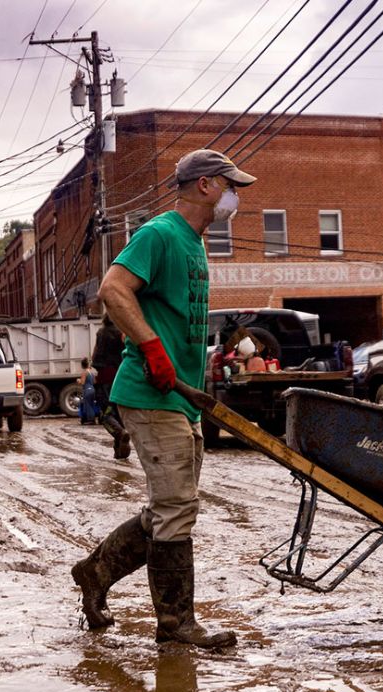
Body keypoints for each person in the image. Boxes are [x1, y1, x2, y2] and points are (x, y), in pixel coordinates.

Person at [72, 148, 255, 649]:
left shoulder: (195, 244)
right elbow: (113, 289)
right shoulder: (159, 234)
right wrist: (151, 347)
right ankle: (176, 625)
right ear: (205, 186)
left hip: (181, 398)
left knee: (167, 509)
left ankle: (94, 573)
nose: (234, 196)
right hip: (152, 394)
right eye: (230, 185)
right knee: (176, 506)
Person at [91, 316, 131, 460]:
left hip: (106, 377)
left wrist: (95, 368)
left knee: (106, 415)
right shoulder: (123, 332)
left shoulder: (102, 333)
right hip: (122, 376)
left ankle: (119, 433)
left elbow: (96, 356)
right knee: (118, 413)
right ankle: (119, 449)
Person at [78, 358, 99, 425]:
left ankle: (91, 419)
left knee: (87, 405)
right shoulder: (91, 372)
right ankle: (92, 419)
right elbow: (95, 382)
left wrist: (78, 380)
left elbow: (82, 383)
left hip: (87, 390)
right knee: (92, 404)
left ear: (82, 365)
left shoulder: (84, 372)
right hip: (92, 389)